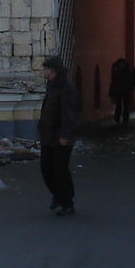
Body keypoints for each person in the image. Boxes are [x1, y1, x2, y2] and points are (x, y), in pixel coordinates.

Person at [39, 55, 78, 215]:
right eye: (46, 70)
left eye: (48, 70)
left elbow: (69, 113)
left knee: (60, 170)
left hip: (61, 137)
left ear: (56, 71)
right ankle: (58, 195)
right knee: (46, 169)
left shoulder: (66, 88)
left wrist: (65, 135)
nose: (46, 73)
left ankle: (67, 201)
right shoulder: (52, 86)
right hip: (48, 135)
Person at [108, 57, 134, 125]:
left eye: (122, 64)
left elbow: (130, 81)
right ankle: (118, 118)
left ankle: (125, 118)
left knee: (125, 104)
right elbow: (113, 82)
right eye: (120, 64)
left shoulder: (126, 72)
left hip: (125, 90)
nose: (121, 65)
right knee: (119, 104)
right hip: (119, 90)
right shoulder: (117, 73)